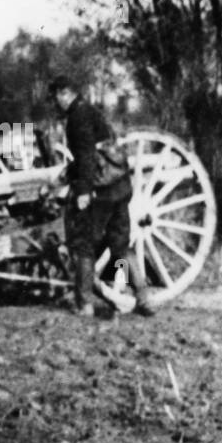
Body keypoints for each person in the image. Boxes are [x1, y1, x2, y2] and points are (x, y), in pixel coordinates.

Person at [47, 75, 154, 318]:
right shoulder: (93, 112)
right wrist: (68, 173)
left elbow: (86, 156)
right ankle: (143, 298)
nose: (56, 104)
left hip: (100, 192)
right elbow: (101, 152)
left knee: (84, 245)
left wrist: (83, 191)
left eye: (56, 98)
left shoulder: (77, 117)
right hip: (120, 187)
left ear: (66, 93)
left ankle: (84, 304)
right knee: (120, 246)